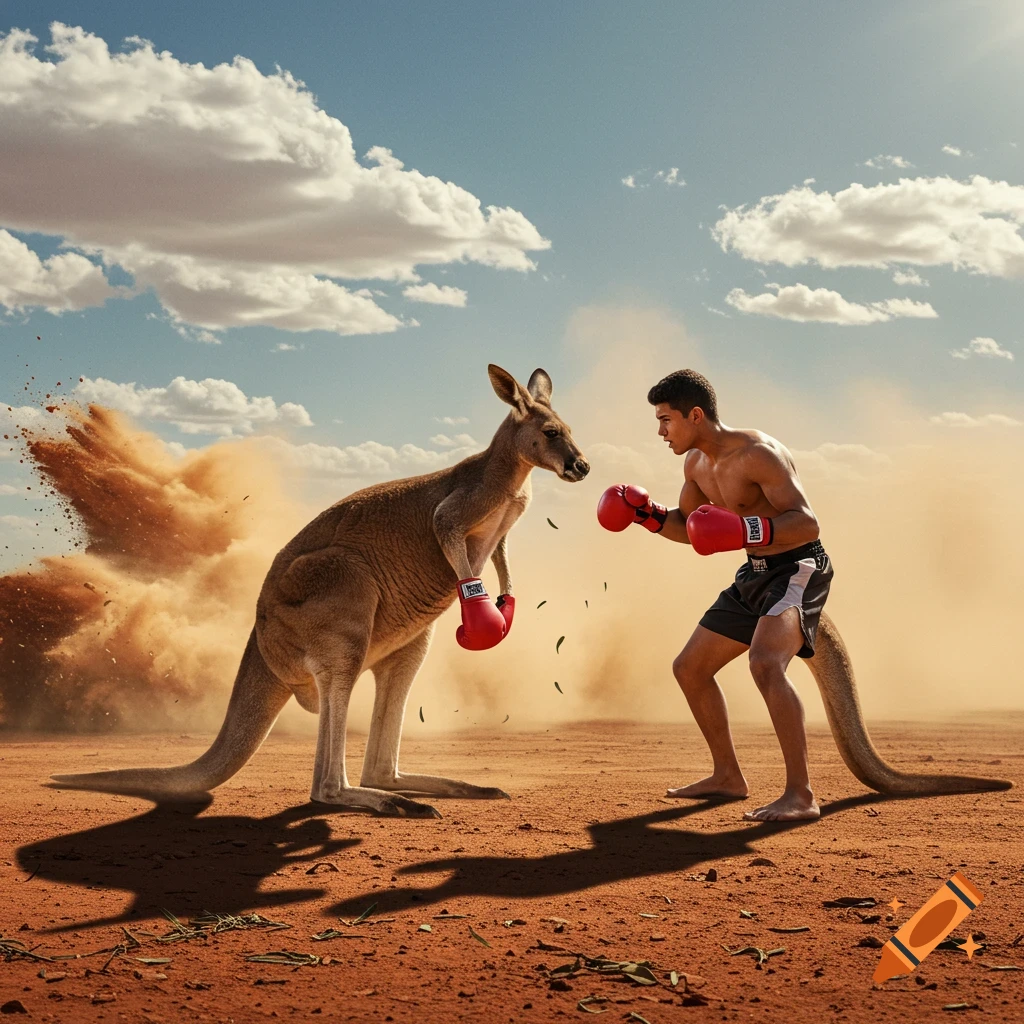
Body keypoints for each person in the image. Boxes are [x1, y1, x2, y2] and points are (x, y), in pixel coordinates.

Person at [596, 369, 833, 821]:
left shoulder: (758, 454)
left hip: (798, 566)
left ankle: (801, 795)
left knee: (765, 663)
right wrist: (643, 514)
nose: (661, 432)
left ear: (696, 415)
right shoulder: (696, 466)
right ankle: (727, 776)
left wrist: (746, 528)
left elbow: (807, 523)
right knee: (690, 668)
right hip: (755, 572)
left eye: (666, 420)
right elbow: (690, 529)